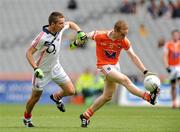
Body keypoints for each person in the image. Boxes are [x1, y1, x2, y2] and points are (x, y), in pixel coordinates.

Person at [71, 20, 160, 127]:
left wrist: (145, 71)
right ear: (115, 30)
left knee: (107, 97)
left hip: (115, 67)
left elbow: (133, 56)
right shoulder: (100, 35)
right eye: (122, 34)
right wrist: (76, 42)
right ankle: (148, 97)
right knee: (125, 80)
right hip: (103, 66)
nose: (124, 37)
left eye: (125, 34)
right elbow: (85, 36)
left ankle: (85, 115)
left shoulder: (124, 41)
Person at [23, 11, 87, 127]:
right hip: (42, 71)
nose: (63, 25)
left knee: (71, 91)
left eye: (63, 23)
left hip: (56, 67)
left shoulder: (60, 28)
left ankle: (56, 97)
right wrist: (36, 68)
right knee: (35, 97)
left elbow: (71, 24)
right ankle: (27, 117)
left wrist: (80, 31)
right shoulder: (42, 37)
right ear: (52, 24)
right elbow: (28, 53)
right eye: (60, 23)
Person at [163, 29, 180, 108]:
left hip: (179, 66)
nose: (176, 36)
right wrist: (167, 66)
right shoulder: (168, 44)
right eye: (174, 35)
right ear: (172, 36)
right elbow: (165, 56)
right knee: (173, 85)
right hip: (172, 67)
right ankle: (174, 102)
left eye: (177, 35)